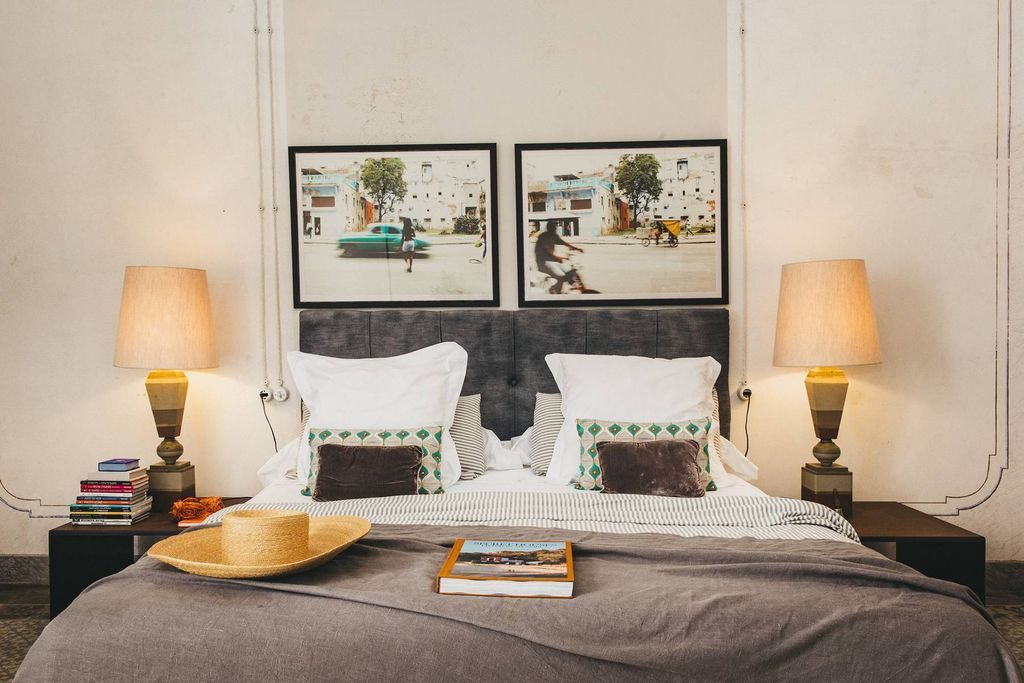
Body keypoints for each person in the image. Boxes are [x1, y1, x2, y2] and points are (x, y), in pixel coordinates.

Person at [535, 220, 583, 294]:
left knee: (570, 271)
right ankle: (554, 292)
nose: (555, 228)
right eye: (554, 227)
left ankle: (572, 286)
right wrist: (558, 258)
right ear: (549, 227)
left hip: (552, 261)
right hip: (543, 262)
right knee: (561, 276)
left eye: (555, 227)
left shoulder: (553, 235)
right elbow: (548, 252)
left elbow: (563, 242)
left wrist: (576, 248)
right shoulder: (544, 236)